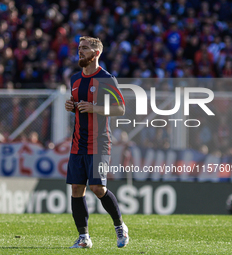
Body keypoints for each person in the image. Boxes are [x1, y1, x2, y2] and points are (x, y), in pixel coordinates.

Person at [64, 36, 128, 249]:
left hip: (99, 142)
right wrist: (71, 106)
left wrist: (95, 108)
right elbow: (78, 106)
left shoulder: (106, 79)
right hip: (78, 143)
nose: (79, 52)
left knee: (97, 187)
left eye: (84, 48)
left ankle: (119, 225)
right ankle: (84, 238)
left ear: (96, 53)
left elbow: (120, 108)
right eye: (79, 48)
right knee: (76, 188)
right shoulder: (74, 79)